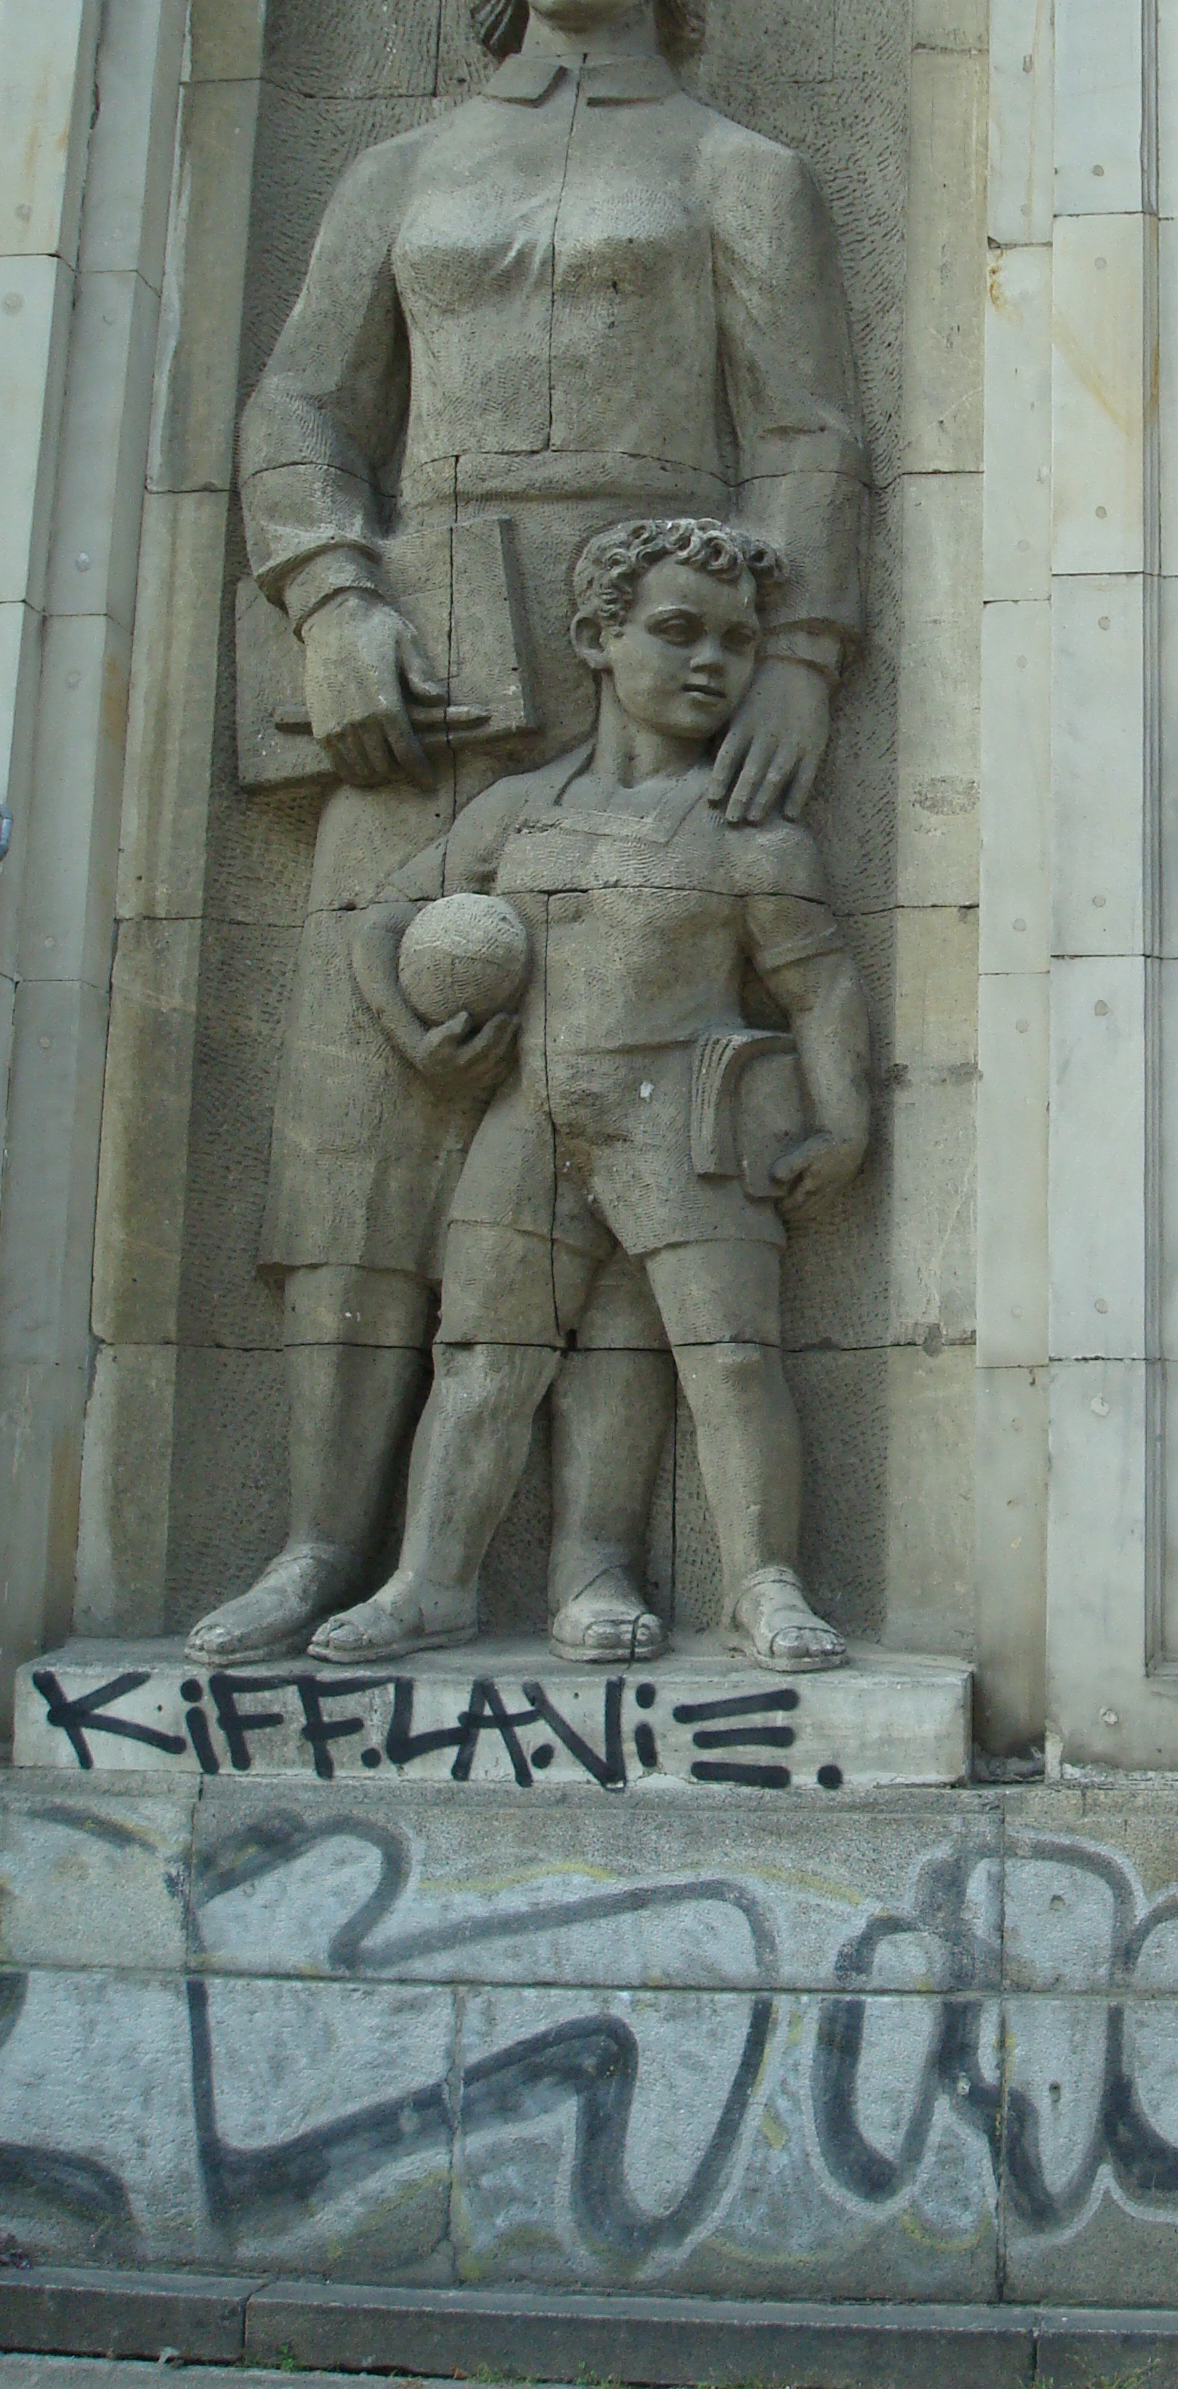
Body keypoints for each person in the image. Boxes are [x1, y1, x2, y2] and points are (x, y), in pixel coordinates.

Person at [189, 0, 867, 1665]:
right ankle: (320, 1546)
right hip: (422, 674)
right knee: (360, 1128)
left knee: (638, 1117)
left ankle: (602, 1563)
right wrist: (332, 600)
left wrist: (801, 654)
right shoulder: (397, 173)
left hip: (658, 645)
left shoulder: (738, 170)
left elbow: (810, 428)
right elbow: (297, 411)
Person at [311, 514, 870, 1671]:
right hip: (530, 1118)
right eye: (678, 630)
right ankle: (431, 1583)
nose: (711, 662)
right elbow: (383, 921)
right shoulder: (516, 808)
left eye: (738, 642)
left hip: (689, 1123)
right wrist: (422, 1042)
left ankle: (762, 1584)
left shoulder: (751, 829)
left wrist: (844, 1122)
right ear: (596, 639)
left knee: (729, 1360)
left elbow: (817, 987)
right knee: (482, 1361)